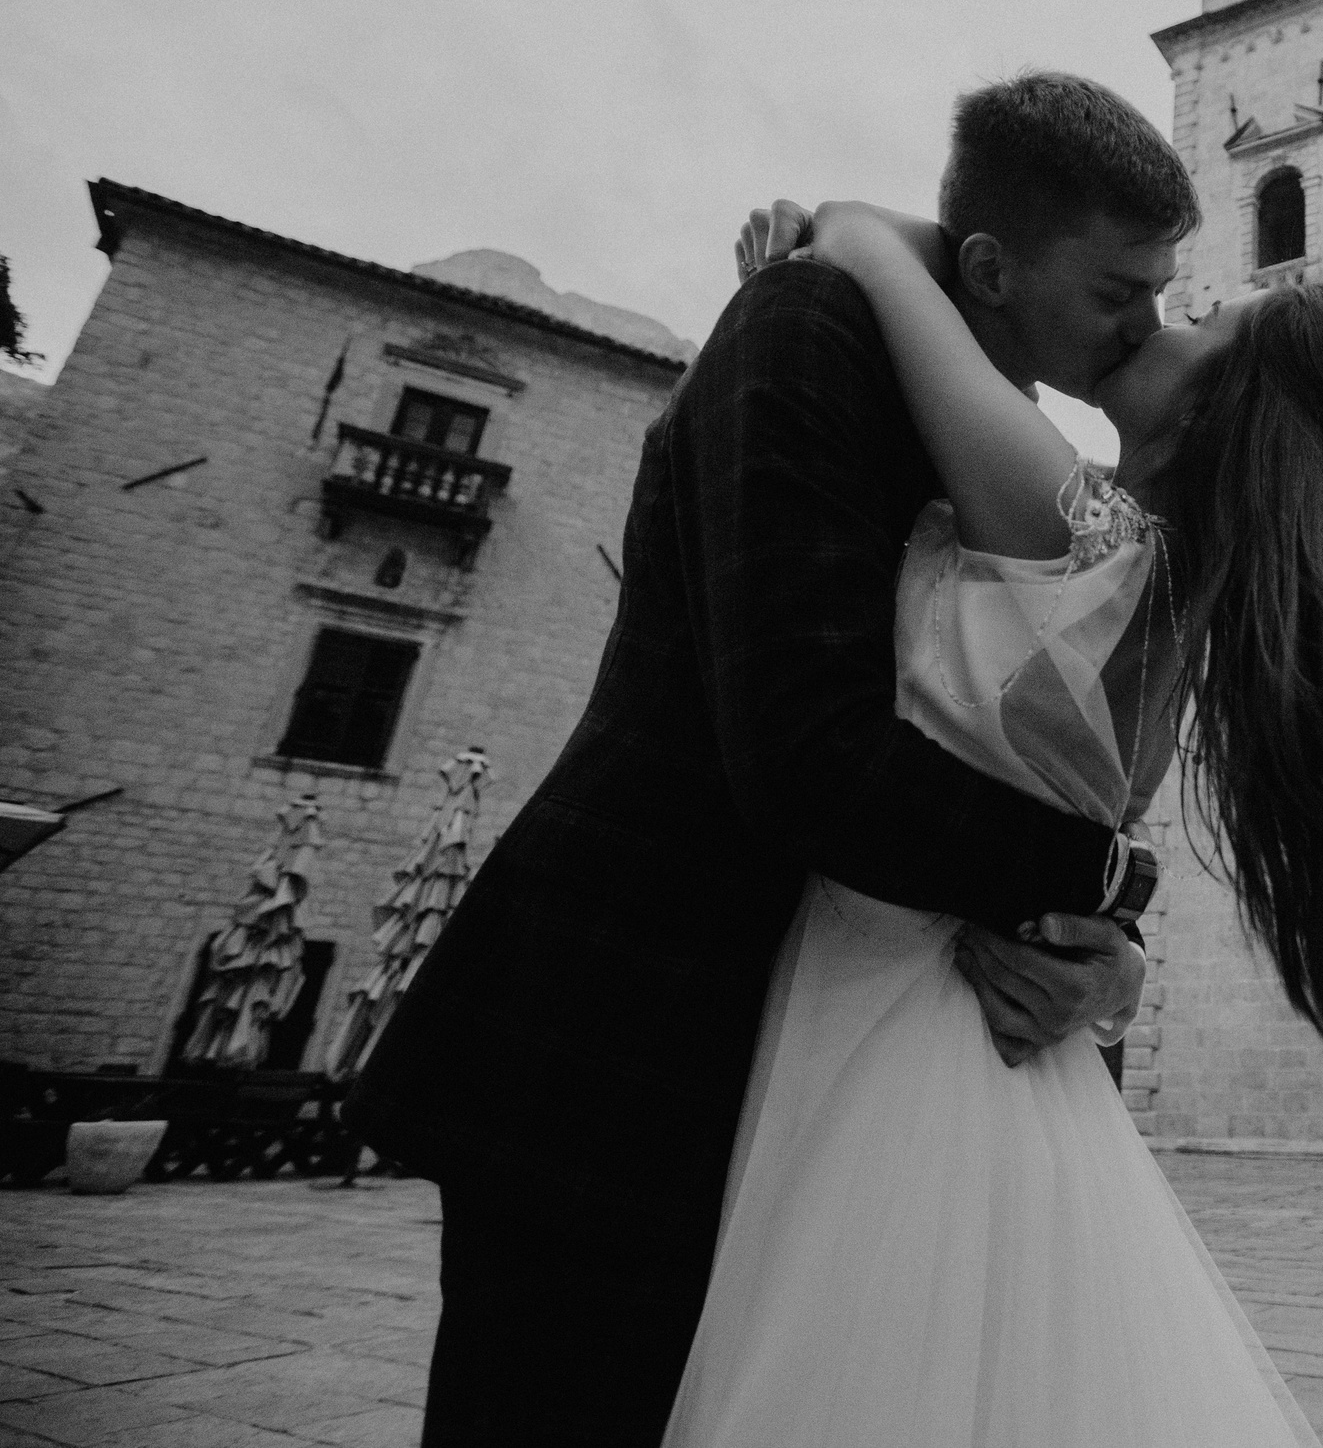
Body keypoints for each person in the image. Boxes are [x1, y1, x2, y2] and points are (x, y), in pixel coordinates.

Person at [666, 194, 1323, 1444]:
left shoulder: (1078, 521)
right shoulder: (1187, 605)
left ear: (1215, 410)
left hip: (885, 1022)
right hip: (987, 1045)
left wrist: (831, 231)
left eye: (1197, 319)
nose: (1158, 319)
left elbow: (867, 239)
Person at [343, 71, 1199, 1447]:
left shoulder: (970, 417)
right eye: (1117, 290)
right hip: (624, 1040)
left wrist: (1101, 947)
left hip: (799, 1067)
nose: (1147, 323)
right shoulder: (808, 329)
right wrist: (1112, 878)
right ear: (991, 265)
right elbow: (804, 753)